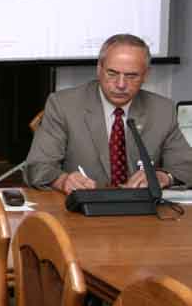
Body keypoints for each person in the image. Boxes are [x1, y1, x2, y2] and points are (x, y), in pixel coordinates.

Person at [26, 33, 192, 192]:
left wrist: (163, 177)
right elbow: (38, 167)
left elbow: (186, 166)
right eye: (112, 73)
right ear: (99, 69)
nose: (121, 84)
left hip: (142, 208)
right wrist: (63, 181)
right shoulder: (64, 105)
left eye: (131, 76)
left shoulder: (162, 110)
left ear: (146, 75)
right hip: (83, 206)